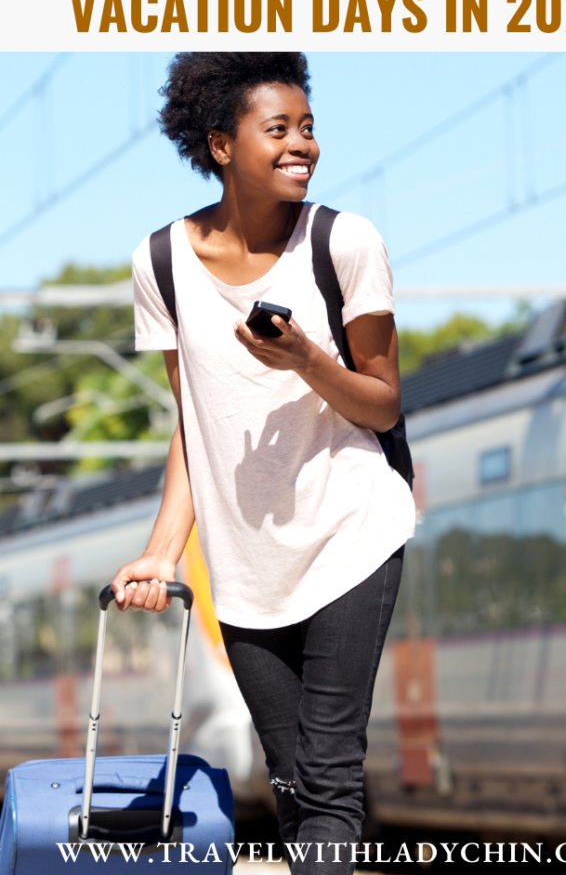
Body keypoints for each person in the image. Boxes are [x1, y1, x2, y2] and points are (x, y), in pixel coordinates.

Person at [111, 52, 415, 873]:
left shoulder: (345, 242)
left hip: (350, 534)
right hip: (245, 568)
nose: (301, 146)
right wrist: (162, 550)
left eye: (308, 129)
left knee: (326, 782)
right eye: (277, 130)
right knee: (292, 790)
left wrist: (306, 361)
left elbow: (382, 401)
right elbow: (193, 423)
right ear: (219, 144)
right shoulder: (162, 264)